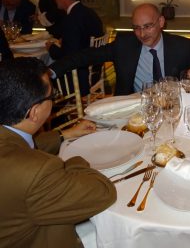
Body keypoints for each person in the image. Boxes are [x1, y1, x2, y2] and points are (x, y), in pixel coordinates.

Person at [0, 57, 116, 247]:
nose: (54, 99)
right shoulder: (38, 173)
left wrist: (65, 134)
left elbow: (19, 146)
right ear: (34, 112)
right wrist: (74, 161)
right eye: (52, 96)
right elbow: (103, 192)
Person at [50, 3, 190, 95]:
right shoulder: (124, 44)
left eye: (147, 26)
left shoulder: (182, 46)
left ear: (161, 22)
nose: (142, 34)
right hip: (132, 108)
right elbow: (86, 56)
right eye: (136, 28)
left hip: (171, 107)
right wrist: (52, 71)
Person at [45, 0, 104, 96]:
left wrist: (51, 48)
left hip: (79, 76)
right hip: (94, 71)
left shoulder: (71, 19)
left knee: (42, 77)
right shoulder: (89, 12)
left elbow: (69, 56)